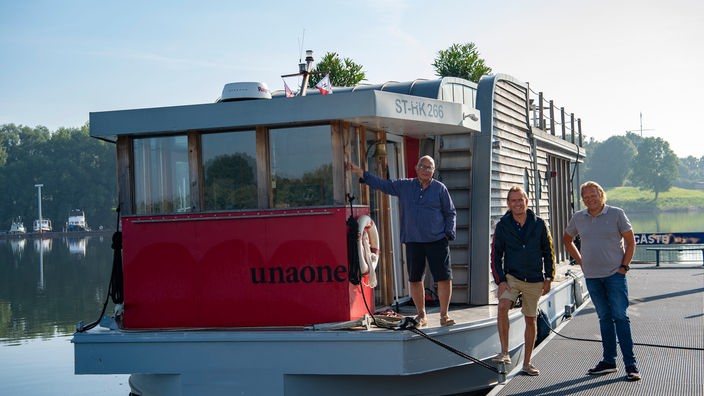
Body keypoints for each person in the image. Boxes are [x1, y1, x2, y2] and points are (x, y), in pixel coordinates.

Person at [347, 155, 456, 327]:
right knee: (415, 279)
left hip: (437, 240)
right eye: (423, 166)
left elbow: (450, 213)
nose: (426, 170)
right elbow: (384, 185)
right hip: (413, 240)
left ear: (434, 171)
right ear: (416, 168)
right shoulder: (405, 185)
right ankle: (421, 315)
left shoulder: (440, 189)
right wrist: (360, 172)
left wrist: (448, 234)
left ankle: (444, 315)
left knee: (443, 278)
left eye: (430, 167)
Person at [563, 181, 640, 381]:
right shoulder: (578, 217)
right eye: (586, 197)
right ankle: (609, 361)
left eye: (593, 195)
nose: (590, 199)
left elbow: (631, 242)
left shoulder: (616, 213)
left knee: (620, 317)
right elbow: (566, 239)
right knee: (604, 318)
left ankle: (631, 365)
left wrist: (624, 267)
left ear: (601, 195)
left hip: (615, 275)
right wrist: (580, 261)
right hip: (592, 277)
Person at [490, 186, 555, 376]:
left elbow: (548, 252)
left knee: (530, 319)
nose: (517, 204)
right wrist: (500, 280)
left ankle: (527, 363)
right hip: (512, 277)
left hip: (535, 279)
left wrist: (549, 276)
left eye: (520, 200)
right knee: (502, 306)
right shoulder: (503, 225)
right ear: (508, 204)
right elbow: (495, 255)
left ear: (526, 201)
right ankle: (504, 352)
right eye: (513, 201)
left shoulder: (539, 224)